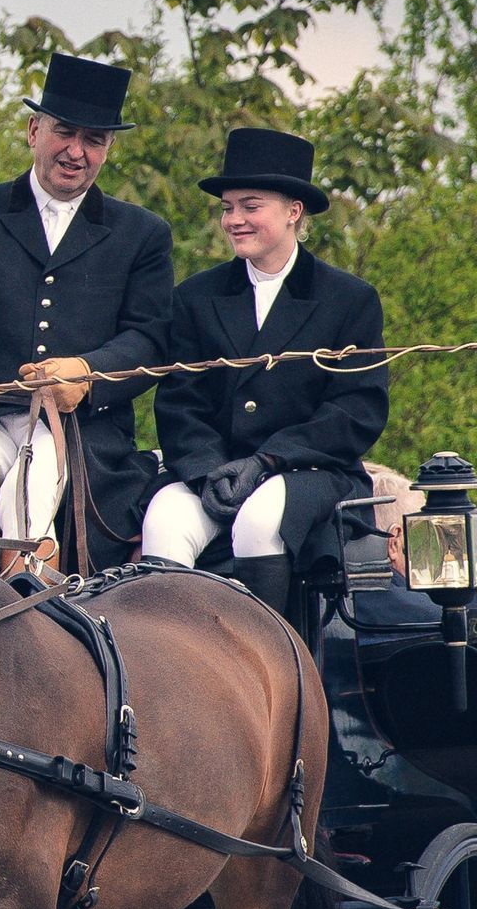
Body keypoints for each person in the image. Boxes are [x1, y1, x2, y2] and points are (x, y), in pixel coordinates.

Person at [0, 52, 172, 569]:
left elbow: (151, 337)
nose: (75, 151)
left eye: (93, 140)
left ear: (108, 149)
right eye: (64, 133)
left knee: (28, 490)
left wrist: (88, 373)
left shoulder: (141, 233)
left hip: (78, 432)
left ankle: (31, 623)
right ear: (34, 131)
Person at [141, 127, 387, 617]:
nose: (233, 220)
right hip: (216, 470)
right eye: (228, 208)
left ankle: (268, 666)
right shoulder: (196, 296)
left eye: (249, 206)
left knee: (259, 518)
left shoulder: (349, 299)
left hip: (309, 472)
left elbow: (357, 409)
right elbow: (178, 401)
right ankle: (169, 674)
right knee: (164, 518)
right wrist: (210, 469)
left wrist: (269, 461)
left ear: (293, 211)